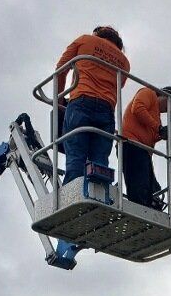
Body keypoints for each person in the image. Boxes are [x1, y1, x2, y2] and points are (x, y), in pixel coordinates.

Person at [55, 26, 130, 184]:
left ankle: (73, 195)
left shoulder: (85, 40)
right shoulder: (124, 62)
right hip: (107, 110)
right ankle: (99, 194)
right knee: (100, 162)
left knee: (76, 155)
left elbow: (60, 70)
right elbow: (118, 86)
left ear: (97, 34)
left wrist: (59, 102)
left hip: (80, 102)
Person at [122, 86, 171, 208]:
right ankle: (139, 208)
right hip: (132, 144)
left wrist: (162, 134)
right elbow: (137, 109)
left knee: (152, 187)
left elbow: (152, 135)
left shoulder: (156, 117)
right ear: (163, 95)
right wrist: (159, 129)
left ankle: (149, 205)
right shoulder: (148, 93)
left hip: (143, 151)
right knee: (139, 185)